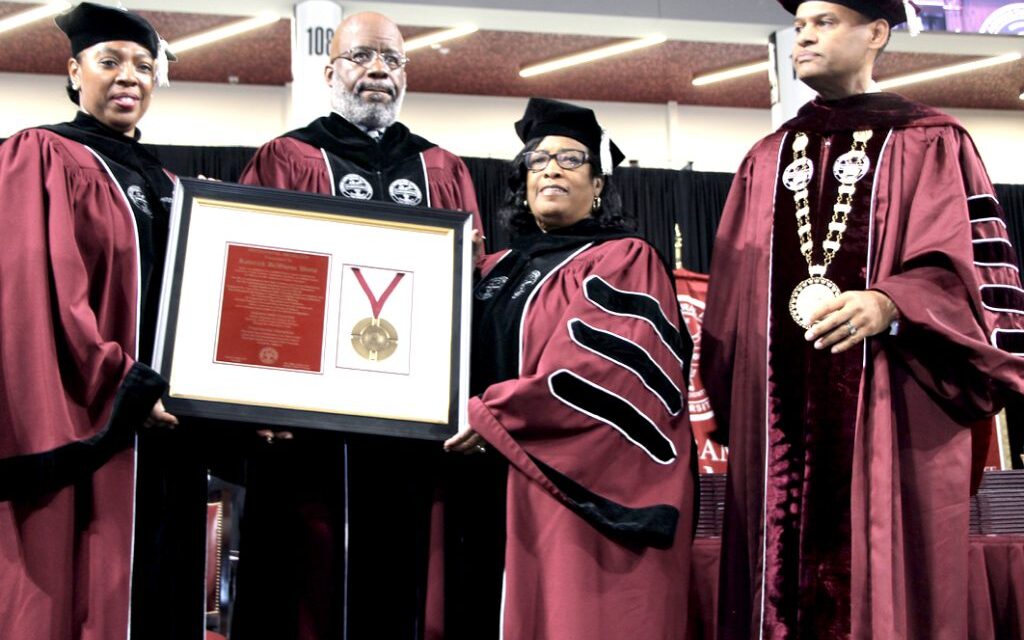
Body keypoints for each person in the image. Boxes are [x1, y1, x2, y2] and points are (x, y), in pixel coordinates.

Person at [701, 1, 1024, 638]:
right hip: (778, 428)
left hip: (894, 414)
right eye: (798, 27)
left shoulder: (931, 140)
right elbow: (731, 307)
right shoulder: (766, 158)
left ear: (876, 34)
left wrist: (894, 302)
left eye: (823, 23)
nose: (804, 37)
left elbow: (978, 276)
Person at [233, 11, 481, 640]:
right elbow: (254, 284)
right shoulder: (288, 157)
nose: (378, 71)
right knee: (308, 580)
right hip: (312, 430)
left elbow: (468, 294)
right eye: (363, 57)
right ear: (330, 70)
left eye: (393, 60)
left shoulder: (442, 169)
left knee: (407, 580)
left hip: (413, 426)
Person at [443, 97, 694, 640]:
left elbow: (603, 374)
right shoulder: (496, 268)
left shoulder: (623, 259)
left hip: (563, 493)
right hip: (476, 482)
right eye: (537, 160)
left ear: (599, 184)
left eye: (571, 159)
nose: (551, 168)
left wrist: (492, 418)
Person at [0, 4, 178, 639]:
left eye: (144, 66)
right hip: (93, 420)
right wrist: (125, 385)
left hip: (167, 431)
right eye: (110, 62)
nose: (128, 77)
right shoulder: (41, 154)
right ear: (74, 71)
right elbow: (38, 295)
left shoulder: (166, 181)